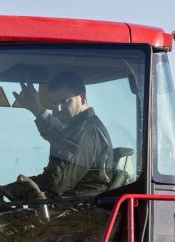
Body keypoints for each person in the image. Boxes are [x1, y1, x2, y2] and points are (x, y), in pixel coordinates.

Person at [9, 71, 113, 199]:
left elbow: (55, 183)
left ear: (83, 97)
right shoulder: (78, 127)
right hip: (70, 206)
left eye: (65, 102)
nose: (57, 109)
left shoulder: (86, 132)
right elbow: (59, 134)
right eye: (54, 103)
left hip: (82, 211)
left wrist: (9, 190)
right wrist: (37, 109)